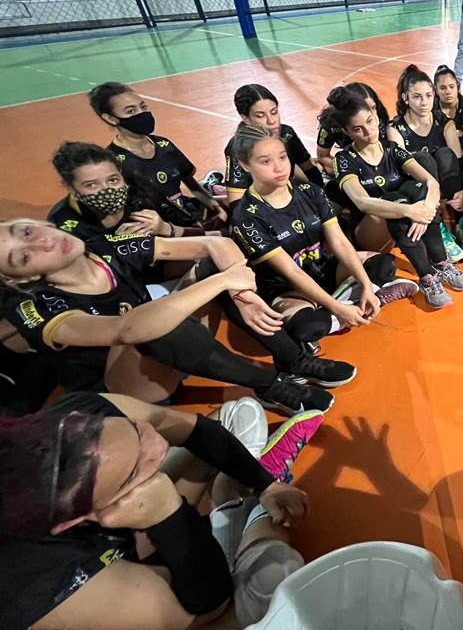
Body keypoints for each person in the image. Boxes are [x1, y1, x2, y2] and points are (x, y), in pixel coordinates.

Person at [0, 391, 316, 629]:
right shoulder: (33, 584)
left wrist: (267, 486)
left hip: (131, 521)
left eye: (135, 429)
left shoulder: (77, 415)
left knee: (239, 413)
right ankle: (247, 506)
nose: (158, 446)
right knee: (275, 581)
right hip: (153, 587)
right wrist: (168, 514)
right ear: (74, 519)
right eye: (137, 467)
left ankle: (247, 485)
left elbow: (192, 429)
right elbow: (208, 606)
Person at [0, 219, 339, 412]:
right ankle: (271, 386)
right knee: (153, 324)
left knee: (210, 266)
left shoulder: (103, 247)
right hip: (127, 390)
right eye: (24, 258)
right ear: (22, 279)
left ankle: (292, 360)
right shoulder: (33, 309)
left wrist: (242, 294)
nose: (42, 243)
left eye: (27, 233)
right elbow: (127, 329)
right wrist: (225, 280)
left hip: (169, 350)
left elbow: (214, 244)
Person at [229, 123, 418, 346]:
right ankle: (344, 309)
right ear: (245, 165)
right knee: (306, 327)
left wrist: (366, 284)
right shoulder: (246, 217)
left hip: (323, 269)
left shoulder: (309, 191)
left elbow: (338, 241)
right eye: (265, 161)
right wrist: (336, 308)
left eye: (282, 157)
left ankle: (357, 300)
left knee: (383, 264)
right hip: (290, 289)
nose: (279, 167)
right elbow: (290, 271)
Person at [328, 90, 463, 309]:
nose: (369, 131)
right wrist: (409, 212)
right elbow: (363, 202)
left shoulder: (392, 149)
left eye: (370, 121)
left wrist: (424, 208)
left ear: (376, 116)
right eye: (358, 129)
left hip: (405, 224)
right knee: (397, 198)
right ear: (348, 132)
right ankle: (426, 277)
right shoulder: (345, 160)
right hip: (371, 229)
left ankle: (441, 263)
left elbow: (431, 183)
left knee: (417, 188)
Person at [90, 82, 227, 229]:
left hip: (185, 213)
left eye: (143, 107)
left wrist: (212, 204)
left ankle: (210, 187)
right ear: (110, 118)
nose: (142, 114)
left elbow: (190, 182)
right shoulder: (112, 163)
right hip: (156, 228)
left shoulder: (164, 145)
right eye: (131, 111)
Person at [388, 65, 463, 261]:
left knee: (446, 153)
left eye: (428, 95)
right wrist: (430, 199)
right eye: (417, 97)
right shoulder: (396, 128)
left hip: (446, 185)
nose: (424, 102)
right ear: (405, 98)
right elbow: (404, 170)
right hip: (419, 190)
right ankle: (439, 229)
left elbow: (458, 161)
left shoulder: (445, 122)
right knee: (422, 158)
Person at [48, 141, 203, 243]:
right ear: (69, 186)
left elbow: (198, 234)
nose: (106, 190)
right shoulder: (63, 224)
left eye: (113, 180)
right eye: (91, 185)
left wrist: (165, 229)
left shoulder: (140, 191)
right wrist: (118, 249)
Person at [225, 84, 323, 206]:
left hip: (288, 198)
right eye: (260, 116)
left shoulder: (287, 133)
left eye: (274, 112)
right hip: (261, 208)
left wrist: (322, 200)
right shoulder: (236, 147)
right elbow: (236, 202)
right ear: (246, 119)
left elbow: (310, 171)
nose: (271, 121)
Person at [316, 82, 389, 175]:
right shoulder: (331, 124)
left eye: (373, 107)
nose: (372, 115)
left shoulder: (380, 117)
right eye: (364, 109)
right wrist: (349, 168)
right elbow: (323, 156)